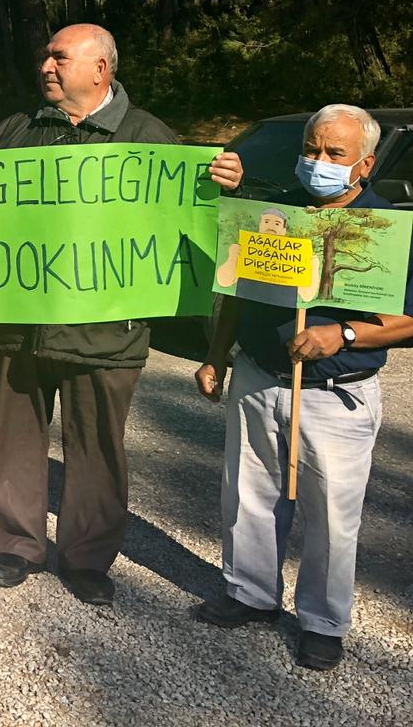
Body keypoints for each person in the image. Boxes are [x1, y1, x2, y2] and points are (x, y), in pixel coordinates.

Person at [0, 23, 244, 605]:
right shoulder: (12, 133)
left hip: (109, 333)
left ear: (101, 68)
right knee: (14, 438)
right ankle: (16, 545)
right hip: (17, 329)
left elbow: (199, 234)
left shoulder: (152, 139)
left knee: (98, 448)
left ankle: (87, 559)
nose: (45, 66)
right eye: (45, 56)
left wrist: (223, 190)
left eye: (59, 57)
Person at [194, 104, 413, 671]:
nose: (318, 163)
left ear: (363, 166)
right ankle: (249, 593)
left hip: (336, 394)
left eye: (333, 155)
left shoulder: (387, 228)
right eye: (311, 150)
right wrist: (217, 357)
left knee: (332, 516)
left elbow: (408, 319)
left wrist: (340, 333)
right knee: (246, 495)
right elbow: (237, 292)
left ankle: (322, 620)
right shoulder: (276, 215)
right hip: (259, 377)